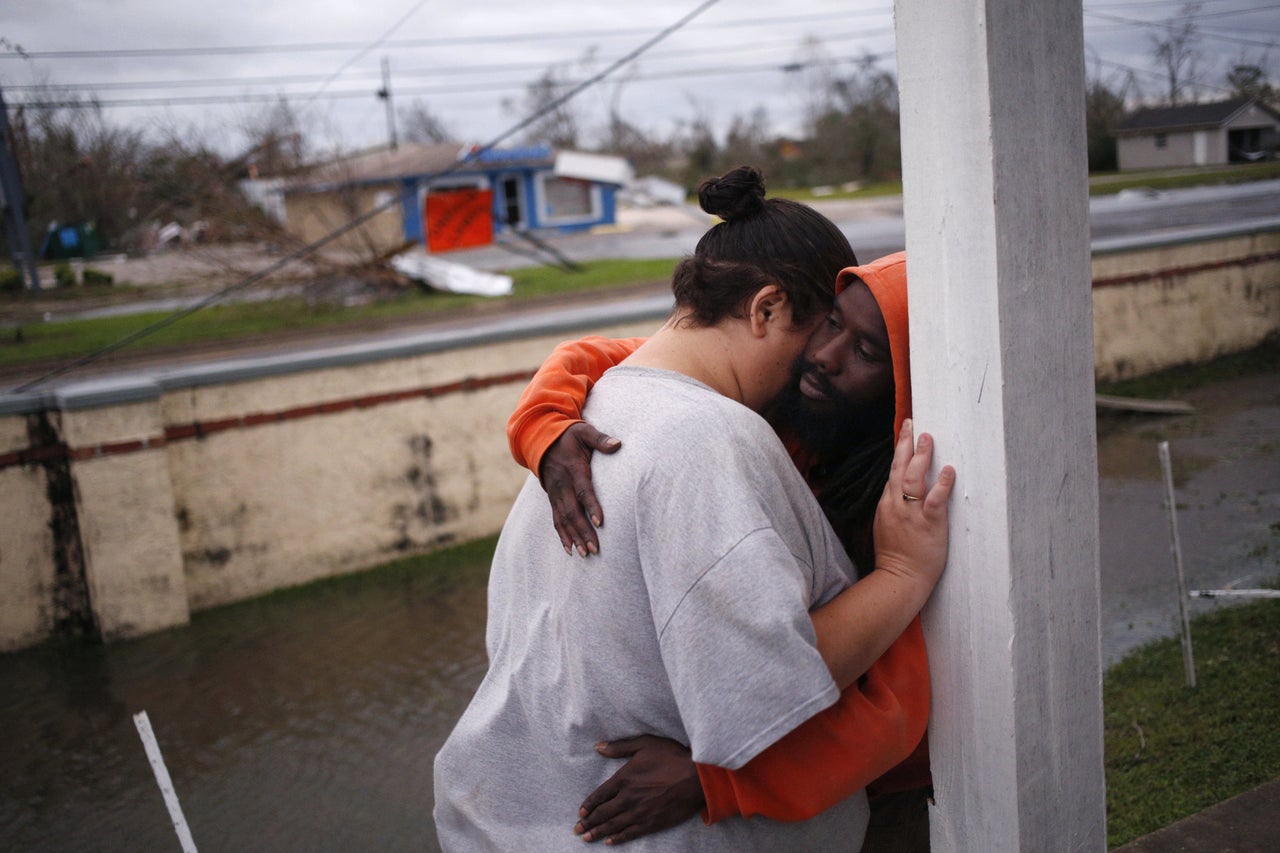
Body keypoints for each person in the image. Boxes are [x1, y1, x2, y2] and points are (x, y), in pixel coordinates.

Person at [433, 167, 953, 851]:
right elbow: (763, 688)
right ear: (766, 309)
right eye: (817, 332)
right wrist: (902, 575)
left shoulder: (591, 411)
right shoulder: (708, 437)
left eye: (857, 347)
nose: (816, 364)